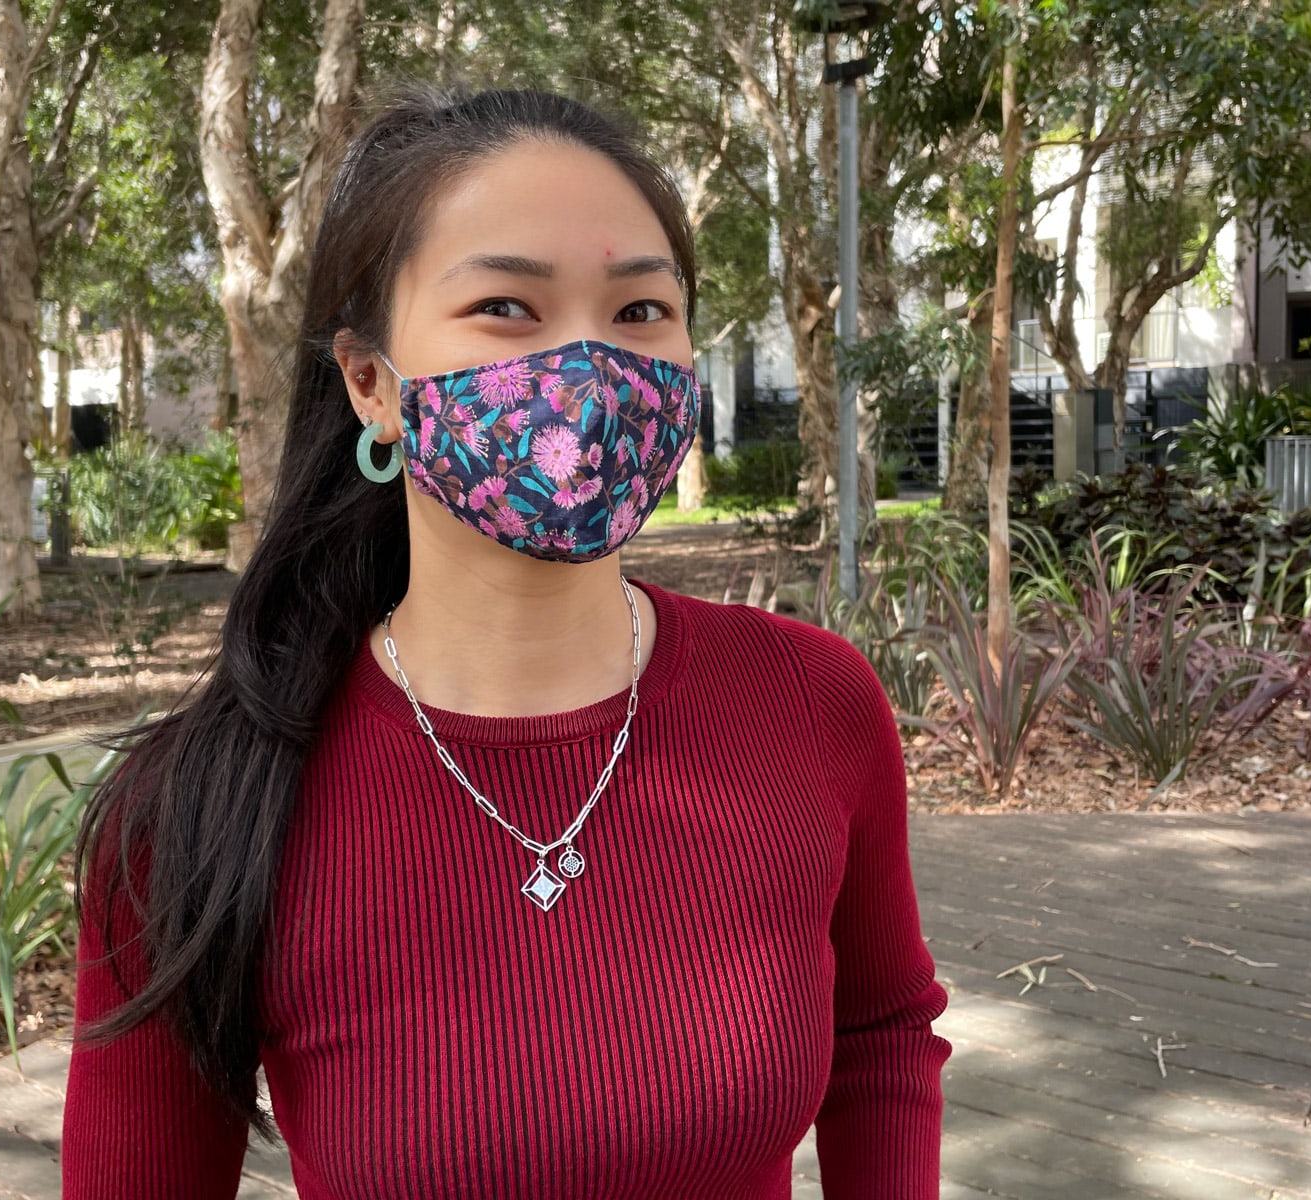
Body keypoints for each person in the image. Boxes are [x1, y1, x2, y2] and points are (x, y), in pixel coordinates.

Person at [60, 85, 951, 1199]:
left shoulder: (809, 700)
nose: (590, 369)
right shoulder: (194, 808)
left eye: (638, 313)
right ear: (372, 383)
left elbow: (878, 1034)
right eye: (506, 308)